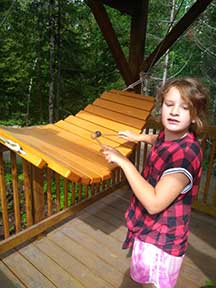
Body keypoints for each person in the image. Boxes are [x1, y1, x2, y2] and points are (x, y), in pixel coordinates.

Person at [102, 77, 209, 288]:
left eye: (184, 108)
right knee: (141, 278)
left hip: (164, 237)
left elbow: (154, 203)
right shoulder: (168, 135)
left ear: (195, 116)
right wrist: (138, 137)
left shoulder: (186, 154)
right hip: (147, 228)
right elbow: (157, 139)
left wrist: (124, 162)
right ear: (162, 107)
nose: (175, 112)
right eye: (169, 104)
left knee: (157, 284)